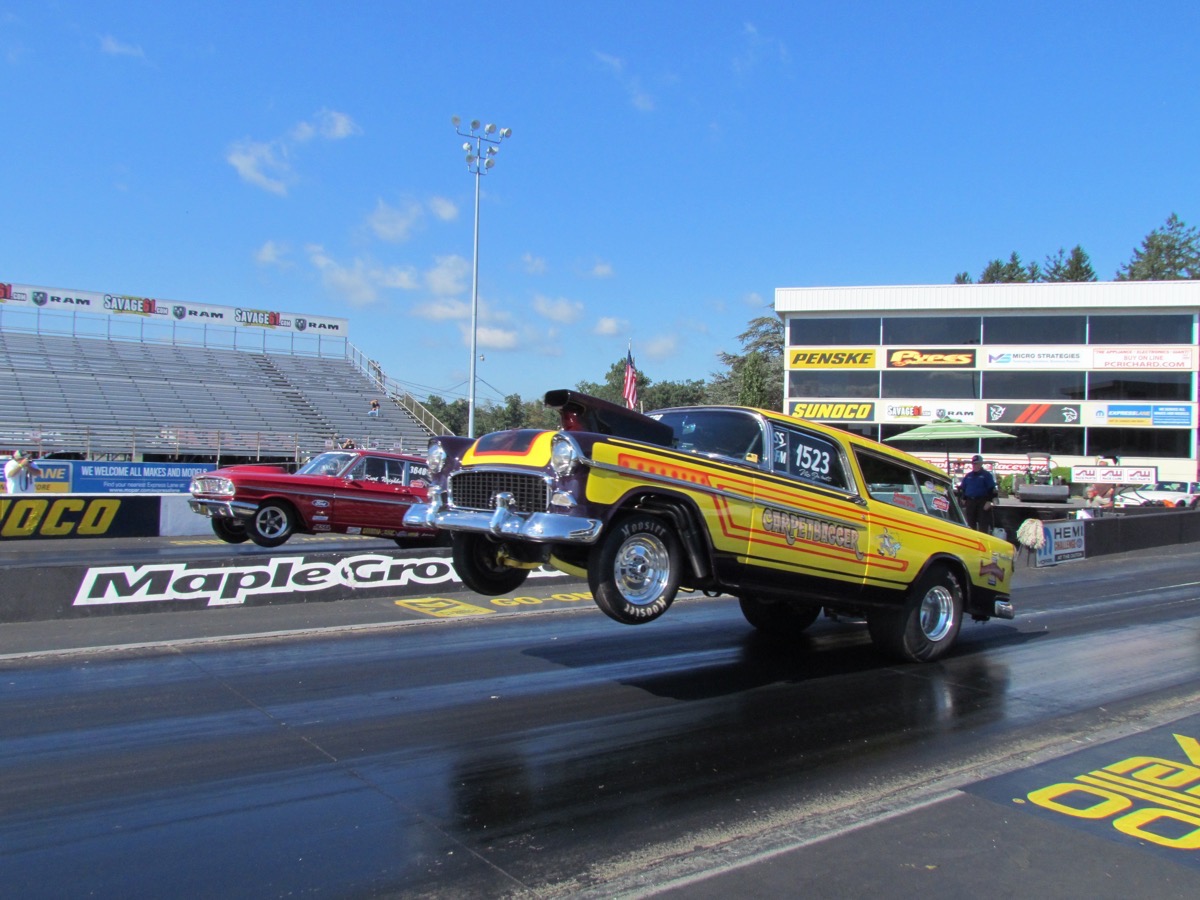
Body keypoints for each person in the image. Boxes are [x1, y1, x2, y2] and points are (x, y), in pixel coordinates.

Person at [958, 454, 998, 532]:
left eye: (976, 463)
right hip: (970, 502)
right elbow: (963, 488)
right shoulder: (969, 475)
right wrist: (963, 498)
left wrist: (989, 501)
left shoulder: (986, 475)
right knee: (970, 523)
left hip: (982, 502)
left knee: (983, 524)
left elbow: (991, 489)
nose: (975, 465)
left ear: (981, 464)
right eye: (973, 464)